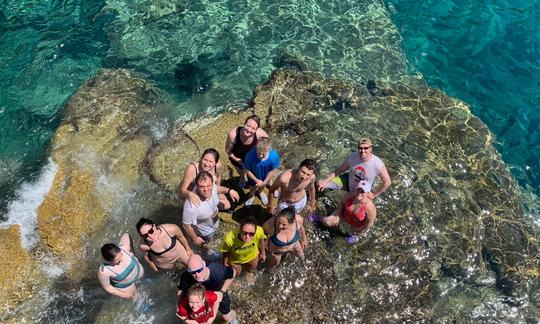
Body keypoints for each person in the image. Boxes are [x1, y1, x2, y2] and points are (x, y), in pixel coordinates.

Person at [317, 137, 391, 200]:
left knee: (350, 211)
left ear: (370, 149)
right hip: (347, 181)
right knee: (319, 183)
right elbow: (340, 170)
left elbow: (387, 182)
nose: (363, 151)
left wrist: (374, 195)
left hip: (361, 191)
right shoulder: (353, 156)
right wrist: (325, 181)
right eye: (360, 148)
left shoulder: (377, 164)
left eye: (366, 148)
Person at [183, 171, 240, 249]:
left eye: (208, 185)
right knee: (210, 246)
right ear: (196, 186)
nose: (206, 190)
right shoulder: (191, 206)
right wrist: (195, 238)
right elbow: (186, 225)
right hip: (205, 232)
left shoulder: (212, 187)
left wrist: (229, 191)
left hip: (214, 219)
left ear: (212, 183)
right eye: (202, 187)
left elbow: (217, 188)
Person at [178, 254, 238, 324]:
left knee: (227, 317)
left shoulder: (217, 271)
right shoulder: (186, 277)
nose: (197, 275)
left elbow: (233, 273)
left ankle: (233, 319)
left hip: (218, 292)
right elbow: (181, 291)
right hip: (199, 298)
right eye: (193, 272)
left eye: (199, 270)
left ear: (204, 265)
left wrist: (222, 291)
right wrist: (180, 306)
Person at [225, 115, 269, 187]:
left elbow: (268, 147)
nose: (249, 130)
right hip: (238, 158)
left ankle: (267, 179)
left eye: (253, 128)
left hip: (254, 158)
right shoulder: (234, 134)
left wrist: (263, 158)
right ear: (244, 123)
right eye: (248, 125)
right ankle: (242, 177)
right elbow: (228, 151)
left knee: (258, 172)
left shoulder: (261, 134)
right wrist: (240, 162)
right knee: (241, 171)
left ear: (256, 129)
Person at [98, 233, 144, 299]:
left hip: (139, 275)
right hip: (127, 287)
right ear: (108, 260)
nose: (121, 259)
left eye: (121, 255)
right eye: (117, 260)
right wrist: (123, 295)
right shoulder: (104, 271)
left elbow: (126, 235)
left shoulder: (124, 247)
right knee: (138, 299)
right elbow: (107, 287)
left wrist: (133, 252)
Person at [243, 137, 280, 206]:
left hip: (265, 176)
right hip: (253, 176)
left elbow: (273, 170)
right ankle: (251, 195)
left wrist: (265, 182)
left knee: (263, 185)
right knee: (252, 187)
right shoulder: (250, 155)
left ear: (269, 149)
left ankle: (261, 192)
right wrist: (256, 180)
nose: (260, 156)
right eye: (258, 153)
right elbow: (247, 170)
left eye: (263, 154)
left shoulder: (274, 157)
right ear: (256, 147)